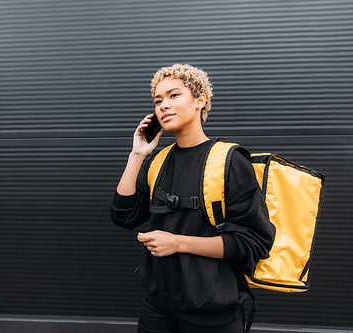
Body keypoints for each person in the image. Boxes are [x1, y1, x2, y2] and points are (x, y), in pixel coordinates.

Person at [109, 64, 275, 333]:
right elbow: (123, 215)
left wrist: (177, 243)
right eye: (158, 100)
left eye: (174, 95)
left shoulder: (229, 161)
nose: (163, 105)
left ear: (200, 101)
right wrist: (137, 154)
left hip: (212, 307)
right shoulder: (157, 161)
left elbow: (252, 244)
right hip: (157, 303)